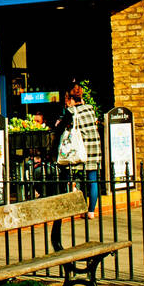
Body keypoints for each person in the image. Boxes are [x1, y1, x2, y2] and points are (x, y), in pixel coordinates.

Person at [53, 82, 101, 217]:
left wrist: (59, 123)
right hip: (94, 146)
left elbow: (60, 127)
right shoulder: (90, 108)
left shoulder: (71, 111)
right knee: (92, 179)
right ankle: (91, 211)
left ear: (70, 98)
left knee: (69, 173)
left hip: (80, 148)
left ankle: (76, 201)